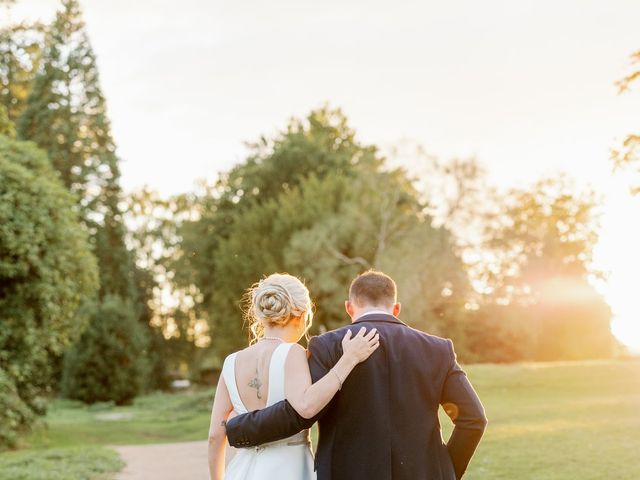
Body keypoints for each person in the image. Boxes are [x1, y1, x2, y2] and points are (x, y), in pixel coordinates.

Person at [225, 270, 487, 480]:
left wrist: (237, 428)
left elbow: (299, 412)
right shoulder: (438, 349)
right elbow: (473, 419)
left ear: (350, 307)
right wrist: (446, 470)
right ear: (396, 308)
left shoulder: (326, 346)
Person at [207, 273, 380, 480]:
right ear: (302, 315)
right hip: (288, 469)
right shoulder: (292, 352)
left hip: (241, 471)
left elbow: (215, 436)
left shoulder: (231, 362)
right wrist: (349, 358)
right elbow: (306, 406)